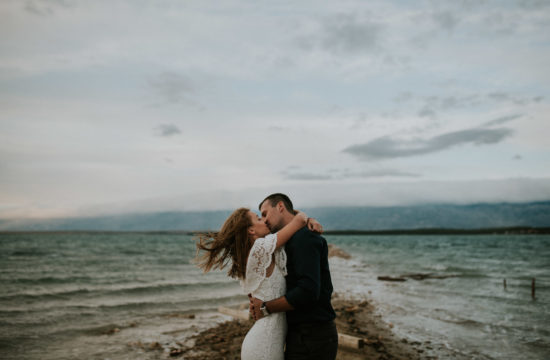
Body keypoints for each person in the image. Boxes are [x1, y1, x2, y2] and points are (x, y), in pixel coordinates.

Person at [195, 206, 321, 360]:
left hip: (268, 340)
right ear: (251, 231)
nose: (264, 220)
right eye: (258, 218)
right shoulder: (259, 248)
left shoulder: (260, 253)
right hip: (265, 344)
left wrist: (308, 220)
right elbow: (299, 220)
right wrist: (305, 217)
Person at [250, 193, 338, 360]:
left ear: (280, 207)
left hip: (313, 335)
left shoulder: (304, 238)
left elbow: (308, 291)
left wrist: (265, 307)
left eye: (265, 213)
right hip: (301, 333)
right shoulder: (287, 239)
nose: (264, 220)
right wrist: (305, 217)